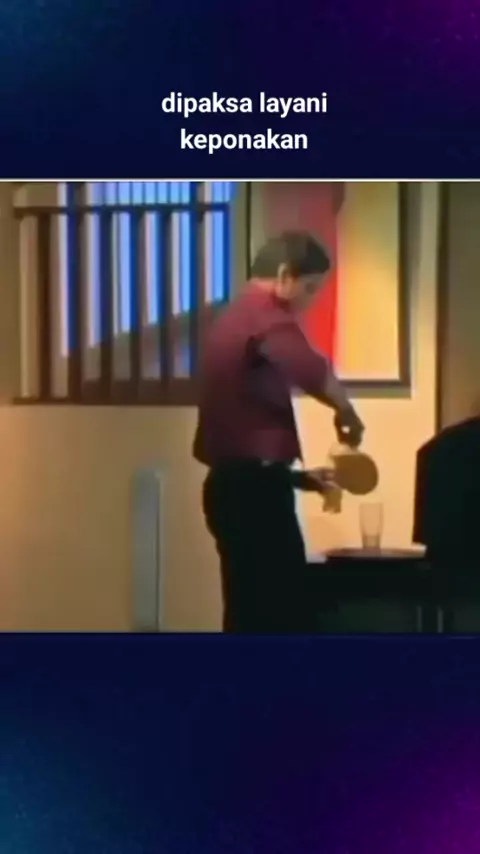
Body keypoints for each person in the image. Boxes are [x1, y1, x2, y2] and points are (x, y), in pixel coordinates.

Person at [193, 230, 365, 633]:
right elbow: (310, 370)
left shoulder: (231, 318)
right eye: (310, 288)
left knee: (248, 608)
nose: (310, 301)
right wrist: (347, 411)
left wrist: (298, 479)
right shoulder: (265, 316)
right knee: (279, 612)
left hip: (232, 487)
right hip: (253, 495)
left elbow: (240, 441)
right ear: (286, 275)